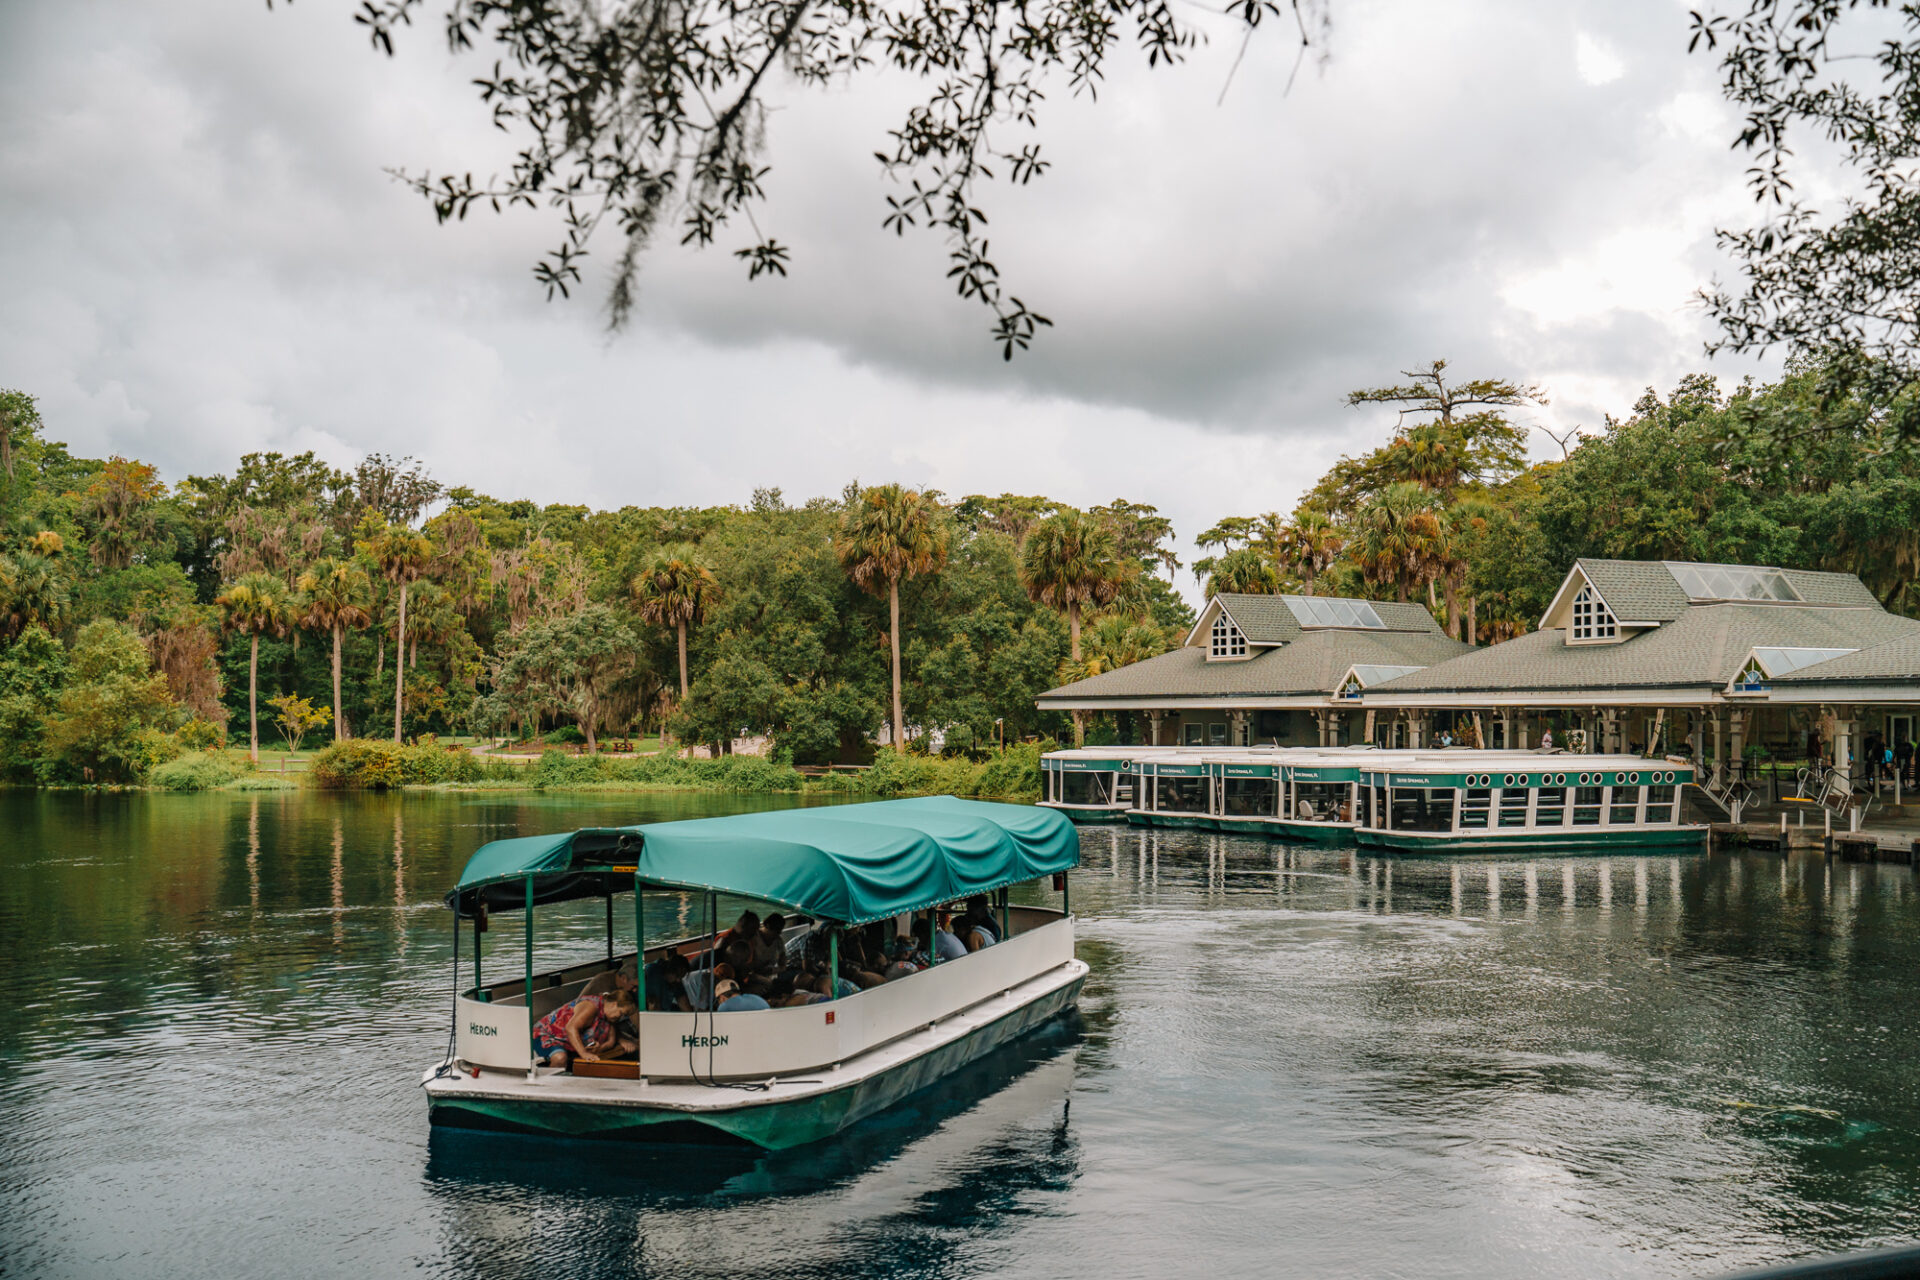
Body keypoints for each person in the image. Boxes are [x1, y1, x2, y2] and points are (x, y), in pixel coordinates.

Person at [531, 988, 636, 1071]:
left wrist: (598, 1048)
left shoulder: (610, 1018)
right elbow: (571, 1028)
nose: (620, 1017)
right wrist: (584, 1053)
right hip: (547, 1035)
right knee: (560, 1058)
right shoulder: (591, 1006)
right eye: (621, 1013)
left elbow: (611, 1041)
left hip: (568, 1044)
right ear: (613, 1004)